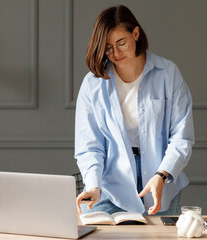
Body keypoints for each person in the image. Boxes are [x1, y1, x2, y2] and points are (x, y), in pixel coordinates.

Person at [75, 5, 194, 216]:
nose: (115, 53)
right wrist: (93, 185)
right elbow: (89, 147)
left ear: (136, 34)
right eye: (108, 47)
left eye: (121, 43)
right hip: (110, 188)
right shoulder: (93, 84)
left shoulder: (167, 74)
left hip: (161, 184)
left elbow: (181, 137)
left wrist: (161, 176)